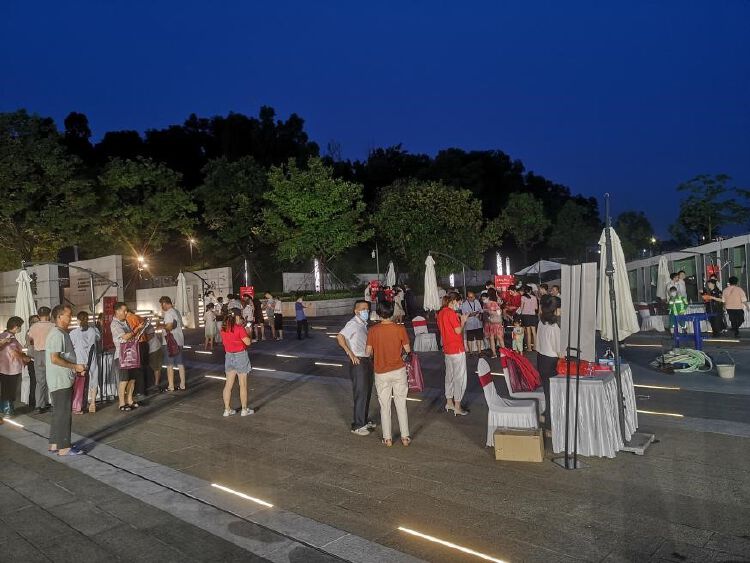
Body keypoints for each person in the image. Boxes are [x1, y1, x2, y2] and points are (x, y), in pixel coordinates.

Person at [366, 301, 412, 447]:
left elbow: (368, 352)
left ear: (378, 313)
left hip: (381, 372)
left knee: (384, 406)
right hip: (398, 370)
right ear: (392, 312)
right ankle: (405, 437)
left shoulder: (373, 330)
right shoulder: (400, 328)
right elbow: (408, 350)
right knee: (401, 403)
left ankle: (387, 439)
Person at [46, 305, 86, 456]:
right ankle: (64, 447)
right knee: (63, 413)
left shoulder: (60, 333)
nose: (71, 318)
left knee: (58, 412)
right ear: (59, 317)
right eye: (68, 315)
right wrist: (75, 366)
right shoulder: (57, 334)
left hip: (60, 378)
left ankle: (54, 443)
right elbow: (54, 358)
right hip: (60, 379)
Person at [337, 300, 376, 436]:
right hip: (359, 362)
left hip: (366, 360)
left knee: (366, 392)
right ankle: (358, 425)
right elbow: (340, 337)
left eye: (367, 309)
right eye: (363, 309)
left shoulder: (363, 324)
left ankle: (363, 420)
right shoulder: (353, 323)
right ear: (356, 311)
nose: (366, 311)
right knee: (361, 393)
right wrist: (350, 354)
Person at [437, 293, 469, 416]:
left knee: (449, 376)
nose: (459, 305)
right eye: (459, 302)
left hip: (447, 349)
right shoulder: (451, 313)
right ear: (454, 301)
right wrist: (463, 321)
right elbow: (458, 331)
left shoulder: (441, 313)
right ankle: (457, 406)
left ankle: (449, 402)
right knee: (459, 378)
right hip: (457, 348)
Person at [220, 308, 254, 417]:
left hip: (229, 355)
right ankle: (244, 409)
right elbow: (248, 342)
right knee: (242, 384)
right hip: (240, 356)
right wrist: (249, 332)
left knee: (228, 385)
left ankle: (227, 409)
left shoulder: (223, 328)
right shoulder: (240, 329)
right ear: (237, 317)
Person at [111, 302, 143, 411]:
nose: (126, 313)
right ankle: (121, 403)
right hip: (121, 355)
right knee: (124, 379)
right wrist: (136, 330)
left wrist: (138, 332)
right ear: (117, 311)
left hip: (131, 354)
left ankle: (130, 400)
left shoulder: (125, 322)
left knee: (132, 379)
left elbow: (131, 336)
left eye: (126, 310)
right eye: (124, 311)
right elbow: (125, 337)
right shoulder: (115, 324)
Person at [536, 295, 561, 434]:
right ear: (555, 310)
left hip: (541, 359)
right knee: (552, 395)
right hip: (551, 362)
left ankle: (546, 415)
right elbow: (558, 349)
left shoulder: (541, 322)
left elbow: (538, 342)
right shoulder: (554, 327)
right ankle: (550, 426)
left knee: (547, 392)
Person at [69, 311, 100, 414]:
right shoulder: (93, 331)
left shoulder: (73, 333)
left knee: (79, 383)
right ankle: (93, 403)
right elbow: (96, 342)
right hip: (91, 359)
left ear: (77, 320)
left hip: (79, 360)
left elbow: (71, 348)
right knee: (93, 380)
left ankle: (79, 404)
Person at [0, 317, 31, 418]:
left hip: (4, 367)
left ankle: (4, 408)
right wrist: (25, 358)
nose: (20, 328)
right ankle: (8, 410)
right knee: (10, 390)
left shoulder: (3, 335)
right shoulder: (9, 337)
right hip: (11, 368)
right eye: (20, 326)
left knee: (5, 389)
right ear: (16, 327)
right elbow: (14, 352)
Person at [27, 306, 54, 413]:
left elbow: (30, 340)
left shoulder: (33, 327)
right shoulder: (53, 326)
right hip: (50, 354)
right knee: (52, 381)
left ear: (38, 315)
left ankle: (39, 405)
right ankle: (53, 404)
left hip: (38, 354)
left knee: (40, 382)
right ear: (49, 314)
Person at [158, 296, 186, 391]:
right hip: (179, 340)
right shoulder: (176, 312)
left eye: (161, 304)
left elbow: (169, 327)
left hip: (170, 342)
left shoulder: (168, 313)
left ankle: (171, 386)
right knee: (180, 363)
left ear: (164, 303)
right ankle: (182, 384)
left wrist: (160, 326)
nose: (161, 307)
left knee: (169, 364)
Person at [126, 308, 150, 398]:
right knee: (142, 367)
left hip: (137, 344)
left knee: (137, 368)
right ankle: (143, 389)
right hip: (144, 343)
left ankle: (139, 390)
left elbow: (132, 333)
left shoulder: (129, 318)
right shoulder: (137, 317)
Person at [483, 288, 504, 357]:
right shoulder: (495, 302)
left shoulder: (486, 303)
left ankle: (494, 353)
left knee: (491, 337)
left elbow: (484, 311)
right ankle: (504, 353)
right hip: (497, 321)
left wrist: (489, 311)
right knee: (499, 337)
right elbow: (499, 313)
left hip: (490, 321)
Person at [518, 285, 539, 351]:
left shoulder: (523, 297)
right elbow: (536, 308)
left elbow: (521, 308)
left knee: (528, 332)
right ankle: (535, 347)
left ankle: (529, 348)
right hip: (533, 316)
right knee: (534, 332)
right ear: (530, 291)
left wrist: (518, 314)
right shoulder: (534, 297)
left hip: (526, 316)